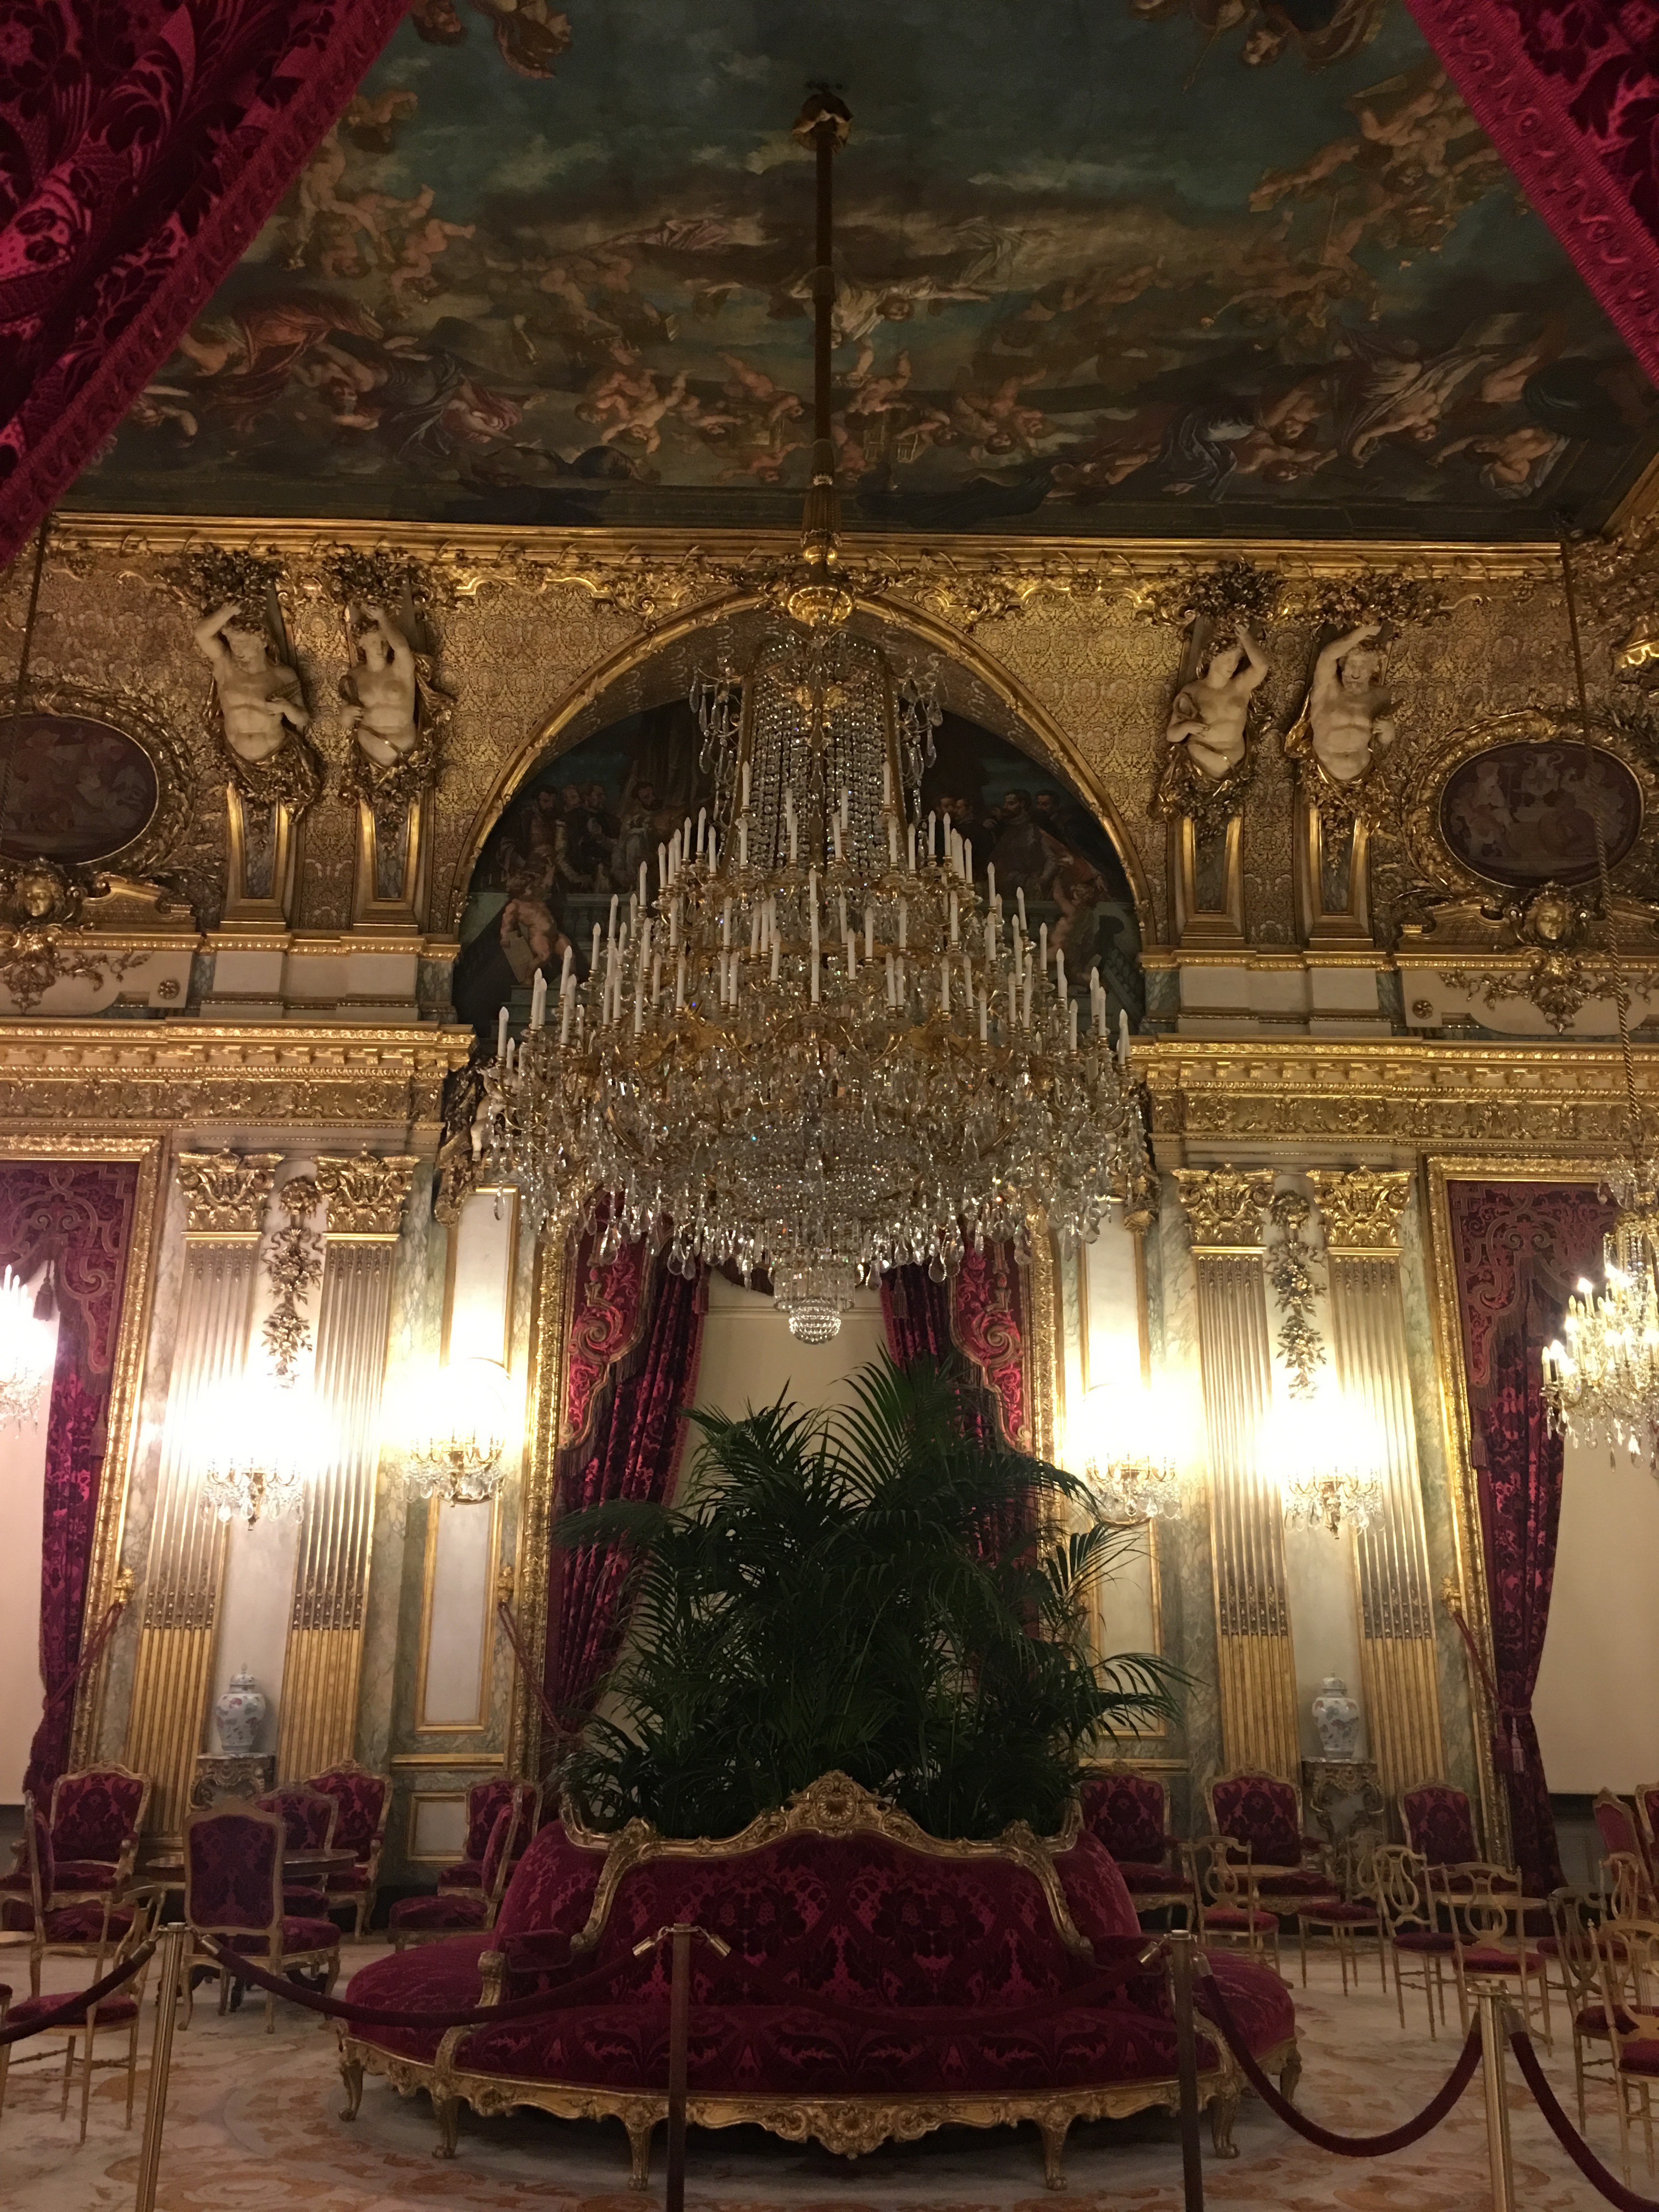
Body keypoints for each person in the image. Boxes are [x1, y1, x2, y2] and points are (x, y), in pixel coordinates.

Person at [192, 602, 311, 764]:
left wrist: (287, 708)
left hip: (276, 757)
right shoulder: (226, 666)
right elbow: (201, 635)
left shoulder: (283, 676)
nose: (237, 650)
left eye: (243, 644)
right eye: (233, 644)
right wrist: (226, 612)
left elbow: (303, 720)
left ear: (263, 642)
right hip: (233, 759)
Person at [1164, 627, 1269, 779]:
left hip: (1237, 761)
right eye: (1228, 660)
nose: (1233, 666)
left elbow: (1262, 666)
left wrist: (1245, 637)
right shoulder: (1193, 691)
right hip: (1202, 756)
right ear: (1213, 656)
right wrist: (1186, 727)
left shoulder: (1240, 686)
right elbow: (1172, 735)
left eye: (1237, 660)